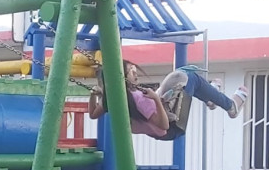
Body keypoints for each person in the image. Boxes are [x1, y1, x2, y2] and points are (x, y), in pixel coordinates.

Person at [88, 60, 249, 141]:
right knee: (189, 78)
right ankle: (230, 106)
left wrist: (94, 95)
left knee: (183, 80)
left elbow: (93, 114)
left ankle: (211, 98)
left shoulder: (114, 98)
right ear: (123, 76)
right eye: (131, 72)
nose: (136, 74)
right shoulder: (139, 99)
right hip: (171, 128)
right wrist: (156, 99)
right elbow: (164, 126)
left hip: (159, 130)